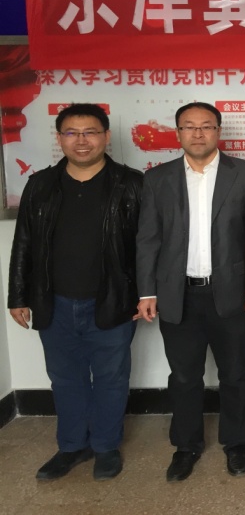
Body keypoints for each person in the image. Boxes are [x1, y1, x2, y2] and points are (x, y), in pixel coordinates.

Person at [8, 104, 142, 481]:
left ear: (106, 136)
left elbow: (147, 246)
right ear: (60, 138)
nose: (81, 140)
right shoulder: (40, 184)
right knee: (65, 379)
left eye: (90, 132)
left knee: (112, 378)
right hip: (54, 302)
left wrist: (146, 294)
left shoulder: (130, 183)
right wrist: (17, 296)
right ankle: (71, 446)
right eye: (71, 132)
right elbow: (24, 243)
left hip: (113, 300)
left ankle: (105, 446)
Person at [136, 102, 245, 481]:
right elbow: (148, 239)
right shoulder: (157, 179)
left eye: (206, 126)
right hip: (177, 294)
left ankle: (236, 442)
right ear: (177, 133)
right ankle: (186, 446)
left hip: (231, 292)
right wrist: (147, 291)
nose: (197, 133)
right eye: (189, 126)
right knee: (184, 376)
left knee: (235, 373)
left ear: (218, 131)